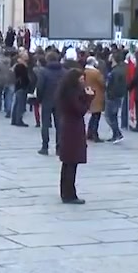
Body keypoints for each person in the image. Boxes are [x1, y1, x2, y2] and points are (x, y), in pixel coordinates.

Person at [56, 68, 94, 204]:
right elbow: (80, 110)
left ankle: (66, 192)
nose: (83, 80)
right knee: (71, 162)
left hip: (69, 127)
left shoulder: (67, 91)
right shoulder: (71, 93)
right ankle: (69, 194)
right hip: (72, 129)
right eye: (81, 78)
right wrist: (89, 98)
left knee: (68, 163)